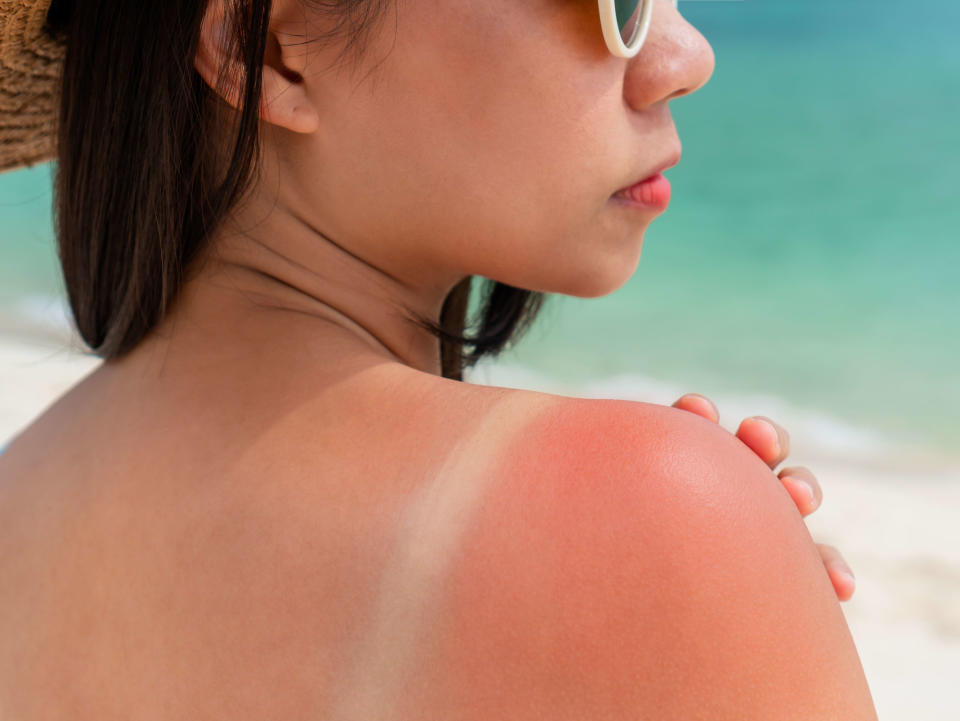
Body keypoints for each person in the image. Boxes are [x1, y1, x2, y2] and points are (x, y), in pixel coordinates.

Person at [0, 0, 877, 718]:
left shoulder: (18, 510)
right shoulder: (664, 511)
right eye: (617, 4)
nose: (687, 57)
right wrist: (712, 560)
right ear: (271, 49)